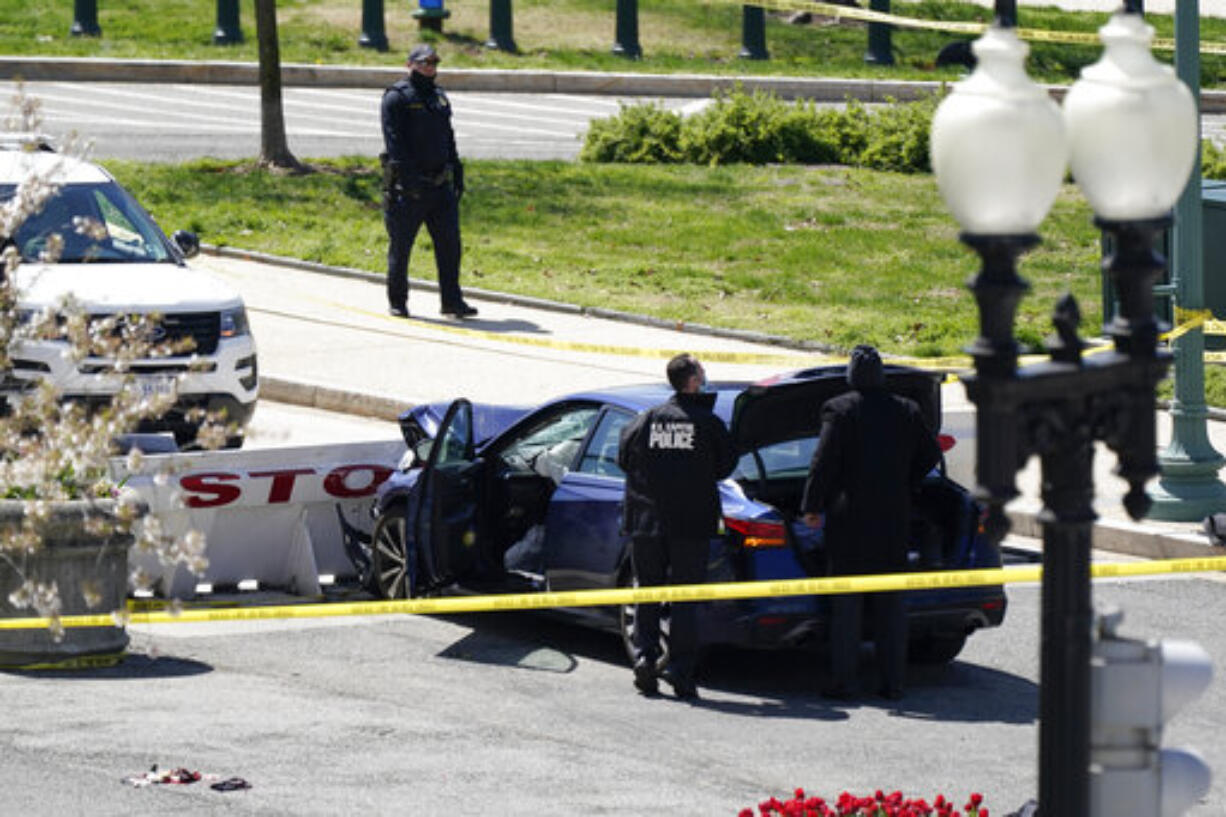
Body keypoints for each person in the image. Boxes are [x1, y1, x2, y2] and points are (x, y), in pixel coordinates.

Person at [800, 344, 941, 701]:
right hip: (894, 517)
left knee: (846, 605)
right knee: (891, 605)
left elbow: (823, 462)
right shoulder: (907, 410)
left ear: (851, 377)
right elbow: (930, 454)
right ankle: (893, 682)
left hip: (850, 519)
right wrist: (906, 483)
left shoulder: (840, 409)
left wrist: (812, 506)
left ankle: (845, 681)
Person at [617, 354, 737, 700]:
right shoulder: (707, 423)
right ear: (694, 381)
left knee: (647, 593)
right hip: (690, 525)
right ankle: (680, 671)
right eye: (702, 371)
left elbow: (623, 459)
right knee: (685, 599)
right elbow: (725, 466)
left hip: (646, 524)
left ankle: (644, 658)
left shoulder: (646, 420)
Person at [380, 43, 476, 320]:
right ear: (409, 65)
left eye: (433, 63)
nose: (429, 68)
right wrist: (410, 184)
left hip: (440, 187)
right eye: (423, 64)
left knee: (450, 246)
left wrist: (456, 171)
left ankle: (452, 301)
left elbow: (448, 136)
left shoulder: (439, 97)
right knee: (401, 247)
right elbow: (395, 145)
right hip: (409, 189)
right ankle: (398, 301)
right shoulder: (396, 98)